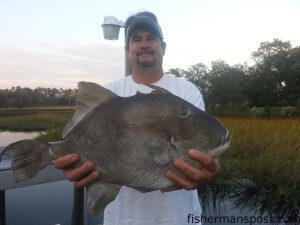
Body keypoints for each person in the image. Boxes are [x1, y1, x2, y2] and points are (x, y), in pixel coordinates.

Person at [54, 11, 221, 225]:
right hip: (121, 219)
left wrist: (209, 171)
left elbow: (200, 149)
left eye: (151, 37)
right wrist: (70, 159)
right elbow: (80, 146)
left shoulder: (186, 91)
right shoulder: (110, 91)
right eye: (136, 39)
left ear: (163, 47)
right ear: (127, 50)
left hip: (178, 218)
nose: (144, 44)